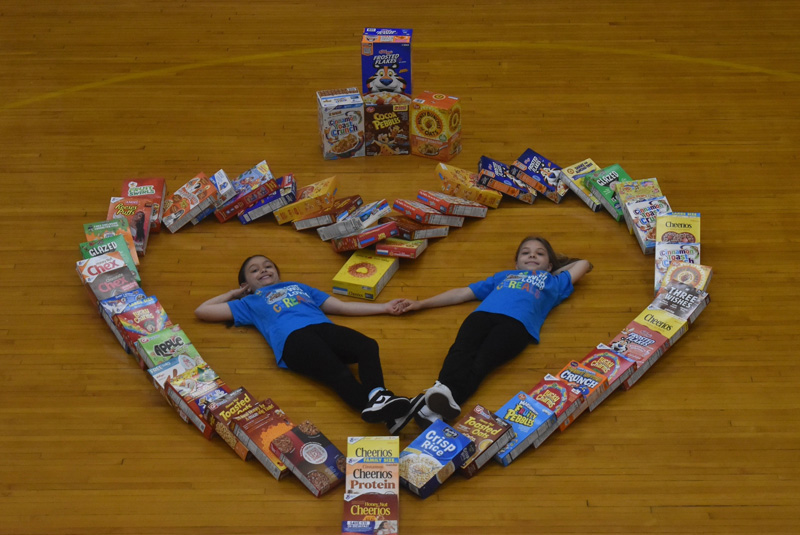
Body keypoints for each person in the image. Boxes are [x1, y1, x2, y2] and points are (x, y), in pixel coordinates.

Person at [194, 255, 420, 431]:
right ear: (247, 285)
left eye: (268, 266)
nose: (263, 270)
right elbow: (202, 310)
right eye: (254, 270)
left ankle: (381, 400)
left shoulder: (298, 286)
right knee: (340, 374)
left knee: (367, 345)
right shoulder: (249, 302)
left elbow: (341, 307)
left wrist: (384, 307)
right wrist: (235, 293)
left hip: (323, 329)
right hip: (294, 340)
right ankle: (383, 407)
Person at [391, 236, 593, 430]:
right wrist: (421, 304)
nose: (532, 255)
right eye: (525, 253)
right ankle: (436, 405)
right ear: (516, 263)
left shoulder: (553, 283)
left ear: (549, 265)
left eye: (539, 253)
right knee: (459, 352)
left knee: (481, 363)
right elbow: (462, 293)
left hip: (516, 326)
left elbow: (584, 264)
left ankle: (433, 405)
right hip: (481, 317)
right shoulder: (503, 276)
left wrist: (552, 271)